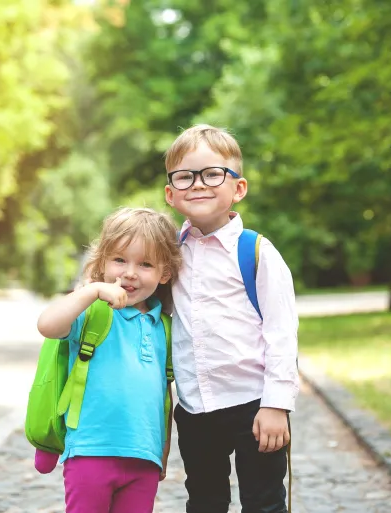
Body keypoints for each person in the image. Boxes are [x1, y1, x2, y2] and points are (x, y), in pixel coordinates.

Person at [163, 124, 300, 513]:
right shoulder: (170, 253)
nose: (199, 185)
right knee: (204, 501)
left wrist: (276, 405)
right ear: (171, 194)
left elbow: (282, 334)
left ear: (238, 187)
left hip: (253, 404)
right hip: (195, 407)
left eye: (212, 174)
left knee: (263, 501)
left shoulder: (256, 252)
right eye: (185, 176)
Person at [35, 206, 182, 513]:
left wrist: (163, 453)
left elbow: (163, 396)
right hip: (90, 451)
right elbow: (47, 325)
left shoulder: (164, 327)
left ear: (164, 273)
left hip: (144, 458)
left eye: (145, 264)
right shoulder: (93, 312)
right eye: (119, 260)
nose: (129, 272)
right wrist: (90, 291)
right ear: (102, 262)